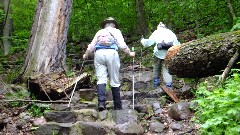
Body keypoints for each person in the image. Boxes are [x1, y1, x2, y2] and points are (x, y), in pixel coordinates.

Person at [83, 17, 135, 111]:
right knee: (114, 80)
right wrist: (129, 53)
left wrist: (86, 55)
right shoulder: (116, 31)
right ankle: (117, 106)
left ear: (105, 24)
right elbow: (122, 45)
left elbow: (91, 45)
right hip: (111, 53)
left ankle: (101, 103)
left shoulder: (100, 32)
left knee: (101, 79)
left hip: (98, 54)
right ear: (113, 24)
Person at [140, 22, 180, 88]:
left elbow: (148, 42)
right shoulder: (170, 32)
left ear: (158, 27)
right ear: (165, 27)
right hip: (169, 52)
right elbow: (177, 44)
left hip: (159, 52)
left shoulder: (156, 32)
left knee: (156, 66)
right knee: (166, 68)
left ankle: (156, 82)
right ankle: (168, 84)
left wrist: (142, 40)